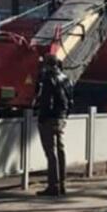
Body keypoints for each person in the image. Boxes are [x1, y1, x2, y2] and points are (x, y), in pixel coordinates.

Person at [36, 57, 73, 196]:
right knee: (60, 150)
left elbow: (46, 101)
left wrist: (42, 117)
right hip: (61, 117)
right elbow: (70, 99)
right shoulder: (66, 79)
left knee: (51, 152)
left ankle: (53, 185)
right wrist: (65, 114)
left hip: (50, 118)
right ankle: (62, 184)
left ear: (47, 65)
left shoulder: (49, 79)